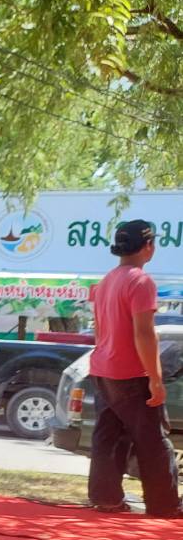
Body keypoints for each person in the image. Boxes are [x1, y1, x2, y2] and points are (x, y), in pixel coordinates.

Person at [86, 218, 180, 517]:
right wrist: (155, 378)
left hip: (103, 368)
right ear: (149, 246)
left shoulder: (106, 281)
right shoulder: (141, 281)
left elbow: (99, 331)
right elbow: (144, 333)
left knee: (108, 436)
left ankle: (106, 499)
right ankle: (165, 506)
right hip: (130, 373)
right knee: (153, 440)